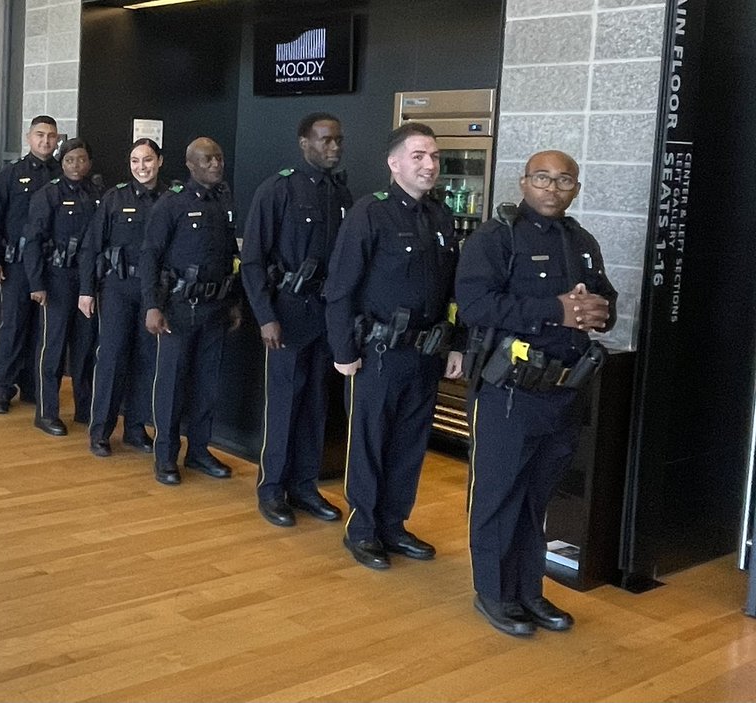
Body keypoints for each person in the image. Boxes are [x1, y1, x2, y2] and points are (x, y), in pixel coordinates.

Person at [456, 150, 616, 637]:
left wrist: (599, 312)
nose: (552, 188)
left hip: (564, 392)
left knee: (535, 498)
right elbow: (474, 304)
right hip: (510, 392)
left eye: (564, 180)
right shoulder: (496, 237)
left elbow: (604, 295)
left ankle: (529, 591)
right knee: (499, 495)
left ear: (576, 189)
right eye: (543, 178)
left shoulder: (582, 240)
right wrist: (555, 310)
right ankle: (494, 593)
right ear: (524, 183)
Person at [323, 122, 464, 570]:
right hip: (377, 353)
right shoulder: (370, 212)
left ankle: (394, 524)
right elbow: (340, 288)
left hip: (424, 352)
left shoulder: (440, 217)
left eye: (435, 157)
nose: (429, 165)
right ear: (394, 163)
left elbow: (452, 291)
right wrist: (343, 350)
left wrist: (456, 344)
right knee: (370, 442)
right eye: (419, 156)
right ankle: (363, 529)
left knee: (409, 442)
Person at [241, 112, 350, 527]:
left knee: (316, 406)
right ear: (304, 142)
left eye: (338, 140)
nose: (334, 147)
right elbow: (252, 261)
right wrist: (265, 317)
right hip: (286, 315)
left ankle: (305, 486)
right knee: (284, 406)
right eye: (325, 140)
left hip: (326, 317)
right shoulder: (278, 190)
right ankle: (272, 489)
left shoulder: (341, 195)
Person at [140, 137, 242, 486]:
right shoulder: (172, 204)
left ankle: (199, 451)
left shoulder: (222, 202)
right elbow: (150, 256)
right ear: (190, 164)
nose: (216, 164)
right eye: (208, 159)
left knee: (207, 385)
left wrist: (233, 302)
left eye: (219, 158)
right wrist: (153, 306)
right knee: (171, 386)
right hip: (178, 310)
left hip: (214, 307)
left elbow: (230, 256)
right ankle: (166, 456)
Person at [78, 138, 163, 457]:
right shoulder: (114, 198)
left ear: (160, 161)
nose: (142, 167)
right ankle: (100, 430)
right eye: (135, 161)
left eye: (147, 160)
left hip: (152, 293)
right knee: (112, 358)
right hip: (117, 288)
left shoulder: (170, 199)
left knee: (146, 359)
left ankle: (136, 428)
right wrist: (86, 290)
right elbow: (91, 247)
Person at [23, 138, 101, 436]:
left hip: (86, 280)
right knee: (52, 347)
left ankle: (84, 409)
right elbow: (33, 241)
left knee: (84, 347)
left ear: (89, 163)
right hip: (56, 278)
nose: (76, 165)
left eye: (81, 160)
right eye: (70, 160)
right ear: (61, 162)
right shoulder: (49, 194)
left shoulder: (96, 194)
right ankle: (46, 413)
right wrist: (37, 283)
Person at [0, 116, 61, 415]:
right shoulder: (12, 174)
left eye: (51, 136)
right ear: (29, 137)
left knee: (43, 331)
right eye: (40, 135)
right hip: (16, 265)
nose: (45, 141)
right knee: (14, 326)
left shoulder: (62, 173)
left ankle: (33, 387)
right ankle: (2, 390)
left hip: (50, 267)